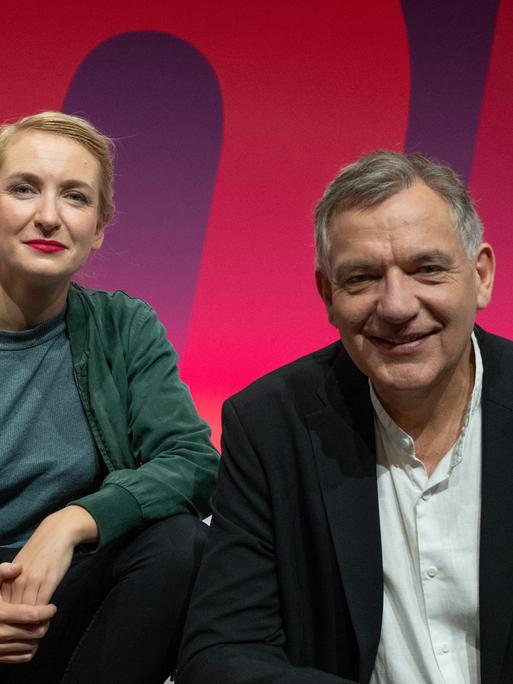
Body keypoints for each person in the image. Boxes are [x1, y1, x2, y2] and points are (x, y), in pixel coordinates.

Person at [176, 151, 511, 684]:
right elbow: (221, 652)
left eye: (426, 269)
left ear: (481, 275)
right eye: (362, 278)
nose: (397, 305)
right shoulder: (269, 425)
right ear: (328, 296)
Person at [0, 111, 219, 684]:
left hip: (63, 611)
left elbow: (193, 463)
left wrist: (70, 522)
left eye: (75, 197)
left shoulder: (124, 326)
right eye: (24, 189)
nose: (48, 216)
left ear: (98, 228)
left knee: (180, 545)